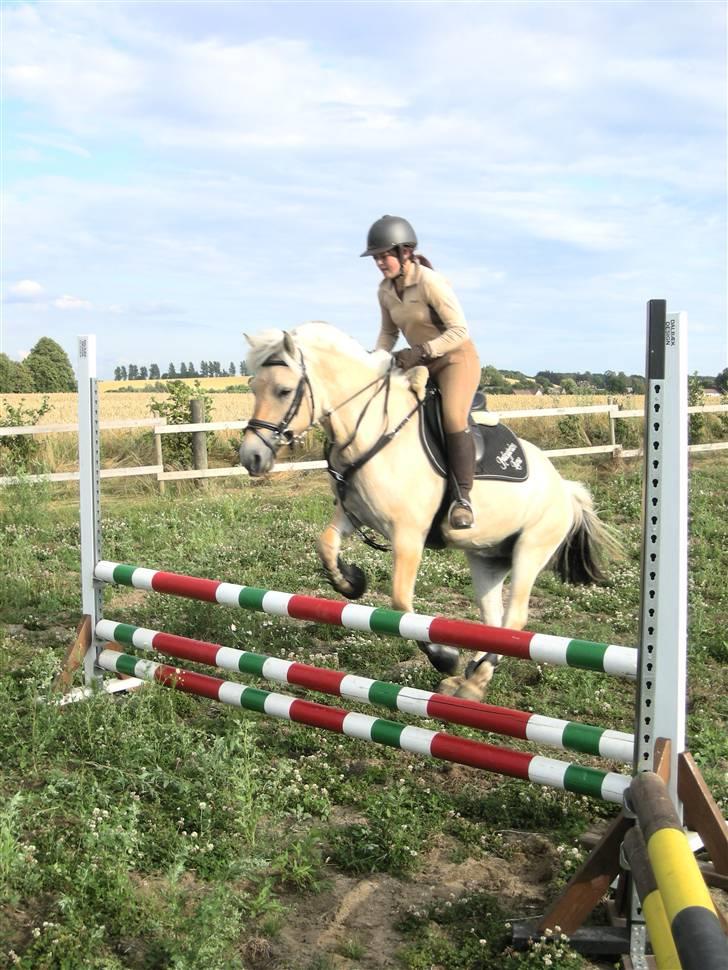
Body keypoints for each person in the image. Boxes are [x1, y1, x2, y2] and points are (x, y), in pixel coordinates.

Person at [361, 215, 481, 529]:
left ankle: (462, 498)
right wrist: (376, 362)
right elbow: (388, 334)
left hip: (456, 360)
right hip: (421, 364)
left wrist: (422, 351)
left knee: (453, 417)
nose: (379, 263)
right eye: (375, 258)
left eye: (384, 256)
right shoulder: (384, 291)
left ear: (404, 252)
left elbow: (460, 331)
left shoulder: (430, 282)